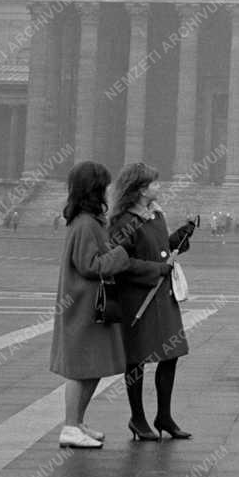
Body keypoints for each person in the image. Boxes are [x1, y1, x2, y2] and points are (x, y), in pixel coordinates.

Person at [49, 160, 171, 449]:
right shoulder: (85, 225)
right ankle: (69, 427)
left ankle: (78, 423)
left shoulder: (91, 223)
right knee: (80, 370)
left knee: (91, 368)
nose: (108, 190)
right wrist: (120, 255)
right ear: (93, 190)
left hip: (91, 306)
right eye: (103, 185)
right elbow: (89, 265)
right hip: (82, 307)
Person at [110, 162, 197, 441]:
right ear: (141, 190)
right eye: (155, 183)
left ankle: (164, 416)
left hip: (162, 295)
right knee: (136, 360)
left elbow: (160, 250)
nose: (160, 187)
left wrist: (181, 236)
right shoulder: (123, 222)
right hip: (138, 299)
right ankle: (137, 418)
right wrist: (156, 269)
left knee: (170, 355)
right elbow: (121, 262)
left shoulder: (156, 216)